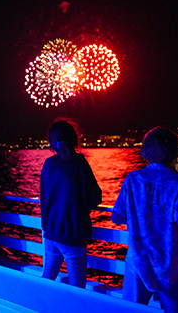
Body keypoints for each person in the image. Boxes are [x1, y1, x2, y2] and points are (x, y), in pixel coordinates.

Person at [112, 127, 178, 313]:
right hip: (168, 263)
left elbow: (117, 216)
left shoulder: (133, 179)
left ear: (145, 152)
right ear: (175, 153)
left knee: (131, 309)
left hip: (138, 260)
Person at [40, 119, 102, 288]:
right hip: (72, 233)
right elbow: (95, 197)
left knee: (47, 280)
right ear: (74, 139)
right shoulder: (79, 163)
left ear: (51, 141)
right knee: (78, 288)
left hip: (51, 232)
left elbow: (45, 196)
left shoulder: (48, 164)